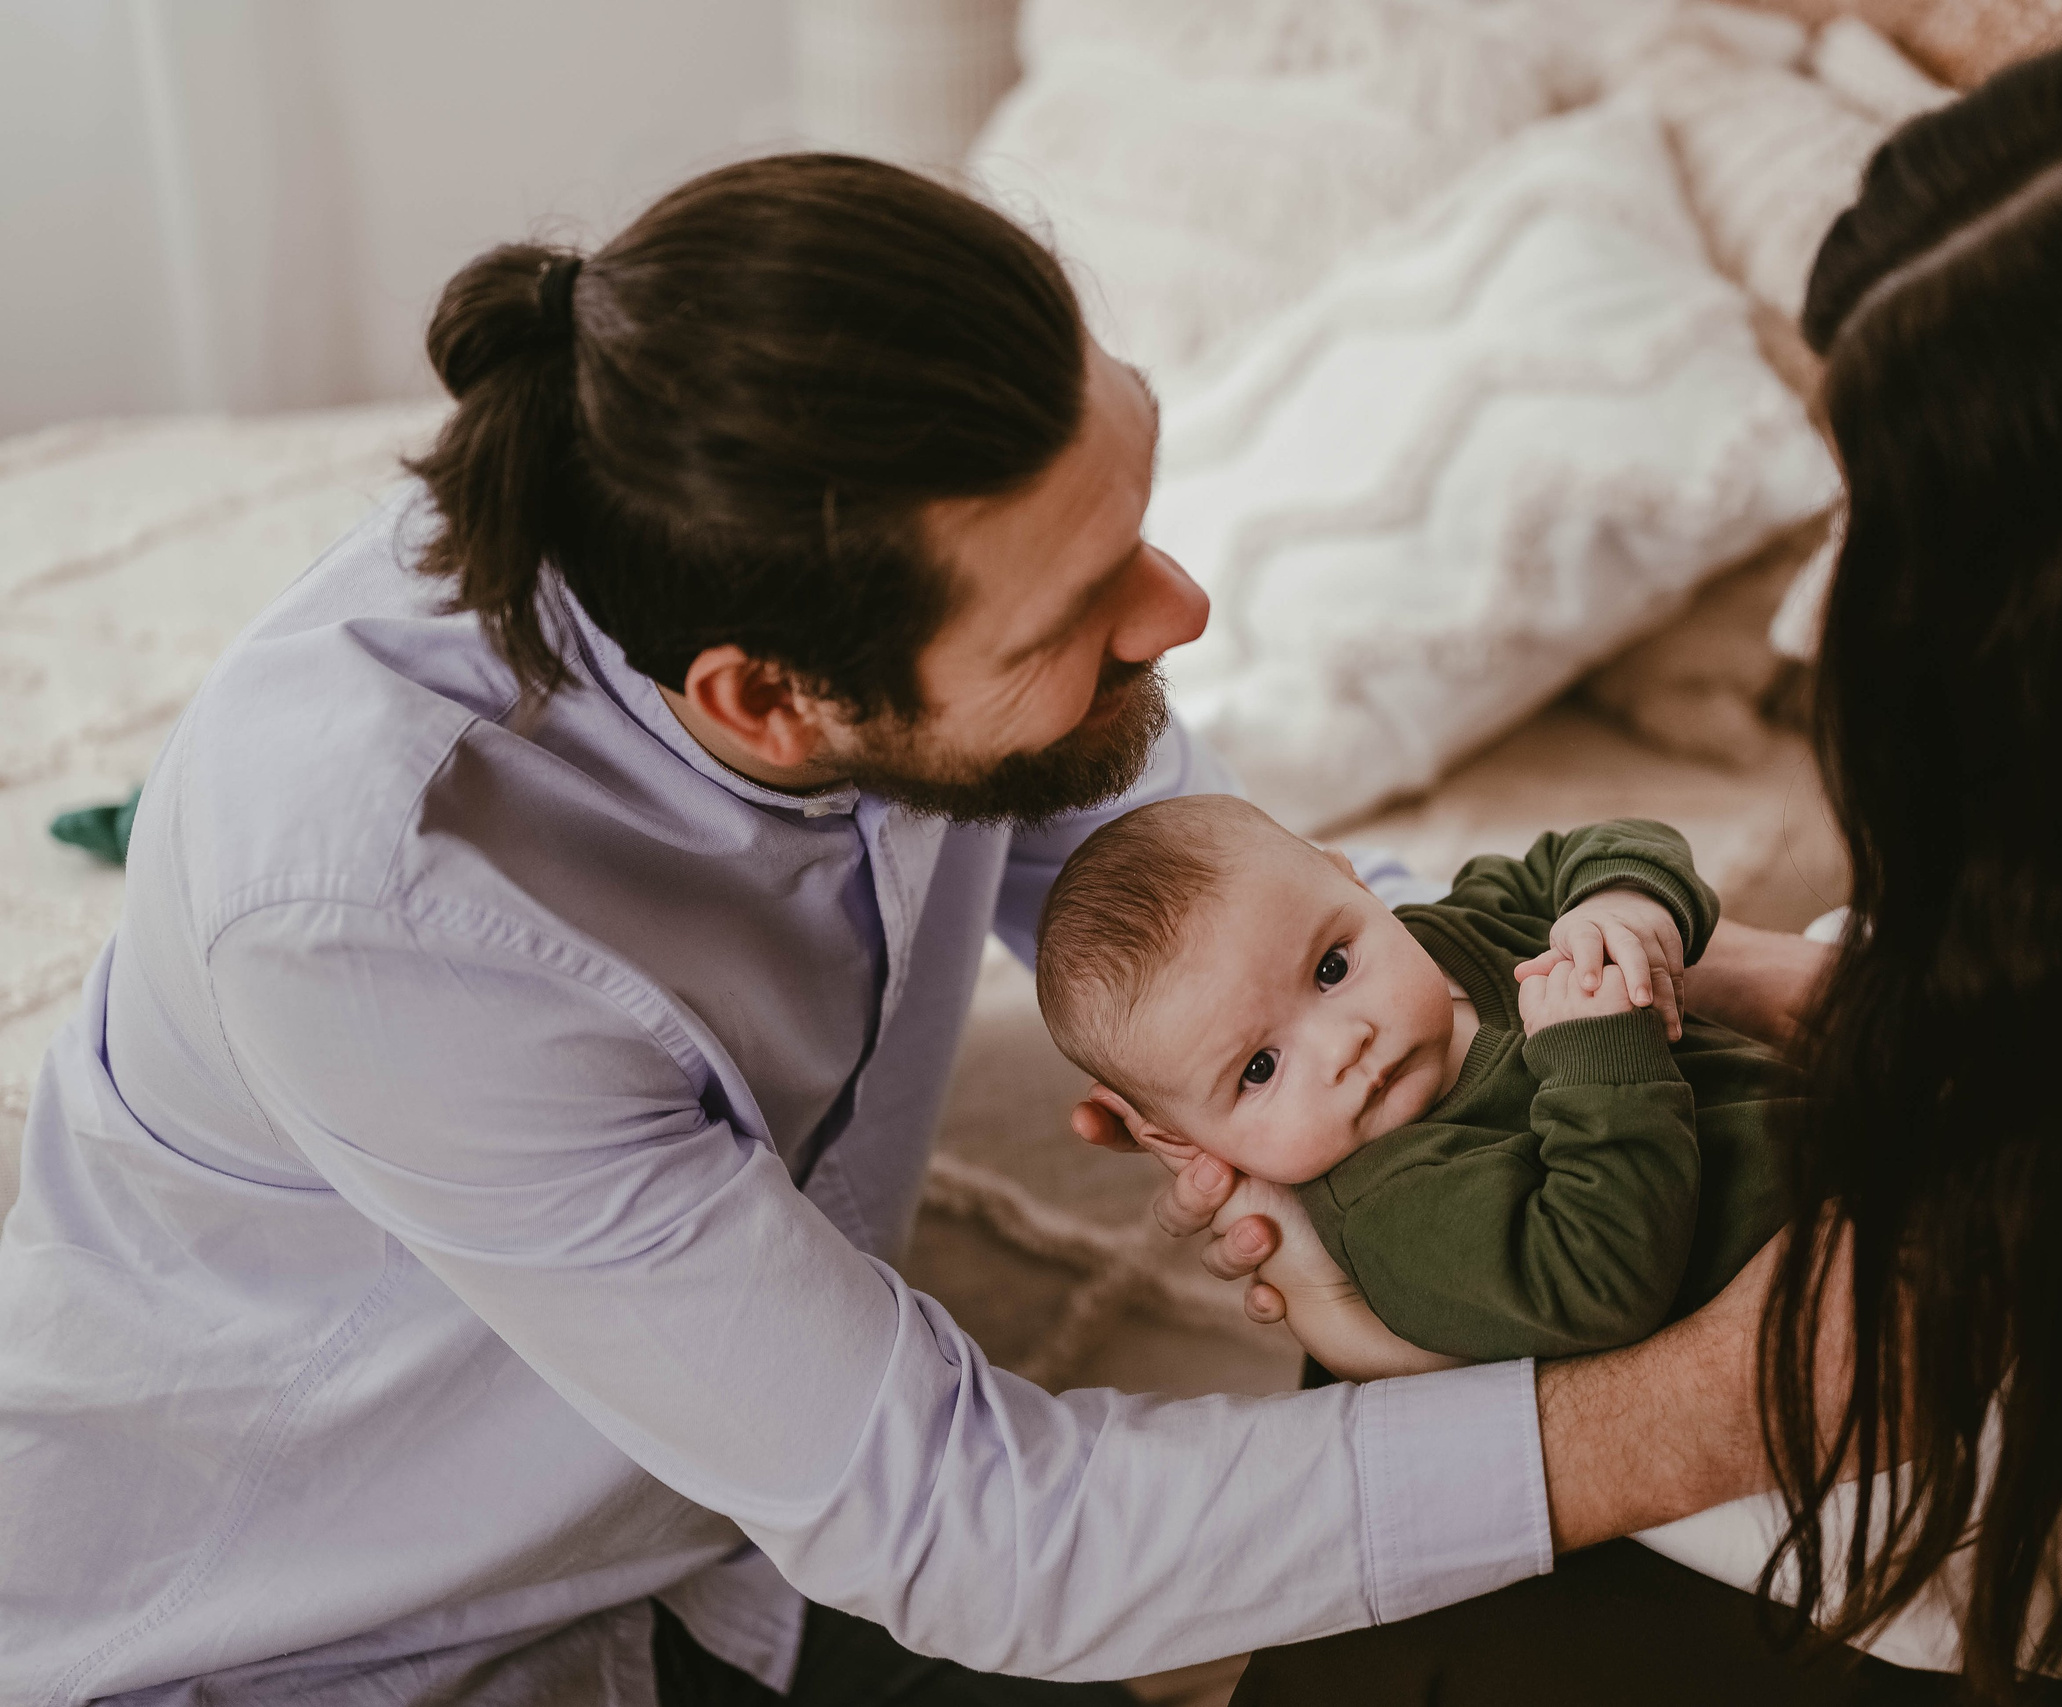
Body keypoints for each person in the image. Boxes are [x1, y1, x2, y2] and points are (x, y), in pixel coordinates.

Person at [0, 156, 1787, 1705]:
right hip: (326, 1639)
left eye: (1137, 518)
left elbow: (1212, 898)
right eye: (1082, 607)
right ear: (768, 702)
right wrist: (1715, 1404)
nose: (1181, 610)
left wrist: (1673, 966)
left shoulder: (787, 507)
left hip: (741, 1554)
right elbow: (966, 1521)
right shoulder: (379, 921)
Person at [1211, 23, 2062, 1706]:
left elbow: (2043, 1584)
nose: (1820, 618)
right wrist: (1734, 969)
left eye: (1898, 546)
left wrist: (1401, 1348)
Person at [1032, 795, 1798, 1376]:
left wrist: (1619, 906)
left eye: (1332, 967)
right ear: (1180, 1139)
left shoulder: (1453, 930)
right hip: (1786, 1293)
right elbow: (1598, 1285)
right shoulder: (1395, 1206)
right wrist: (1599, 1055)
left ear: (1351, 880)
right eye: (1258, 1069)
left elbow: (1595, 846)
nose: (1344, 1044)